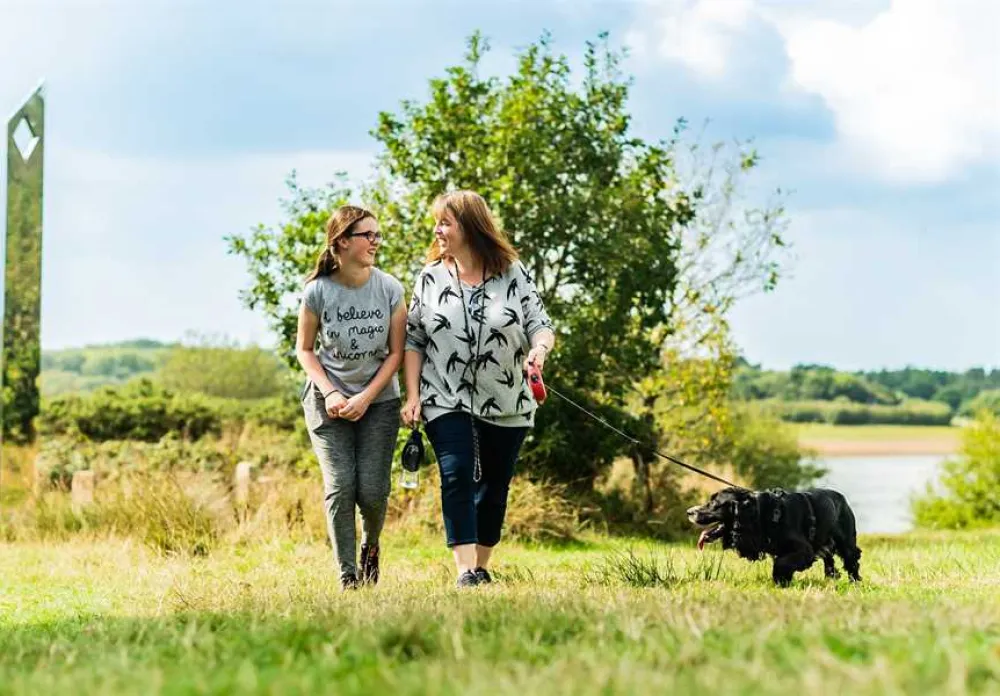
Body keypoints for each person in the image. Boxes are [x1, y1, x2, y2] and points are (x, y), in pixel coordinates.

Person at [401, 190, 556, 588]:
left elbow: (540, 324)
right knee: (456, 474)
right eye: (437, 223)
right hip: (444, 395)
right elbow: (414, 339)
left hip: (508, 398)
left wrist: (538, 351)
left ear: (469, 227)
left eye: (445, 223)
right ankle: (465, 570)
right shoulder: (430, 277)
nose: (437, 231)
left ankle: (482, 565)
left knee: (494, 487)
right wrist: (414, 395)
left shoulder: (512, 272)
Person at [295, 205, 406, 590]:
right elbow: (304, 350)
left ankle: (370, 546)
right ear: (342, 241)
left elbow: (396, 353)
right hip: (328, 404)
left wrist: (366, 398)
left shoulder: (390, 288)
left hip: (379, 403)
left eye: (377, 234)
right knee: (341, 486)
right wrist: (330, 392)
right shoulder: (317, 291)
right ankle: (348, 575)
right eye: (367, 235)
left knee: (372, 492)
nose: (376, 242)